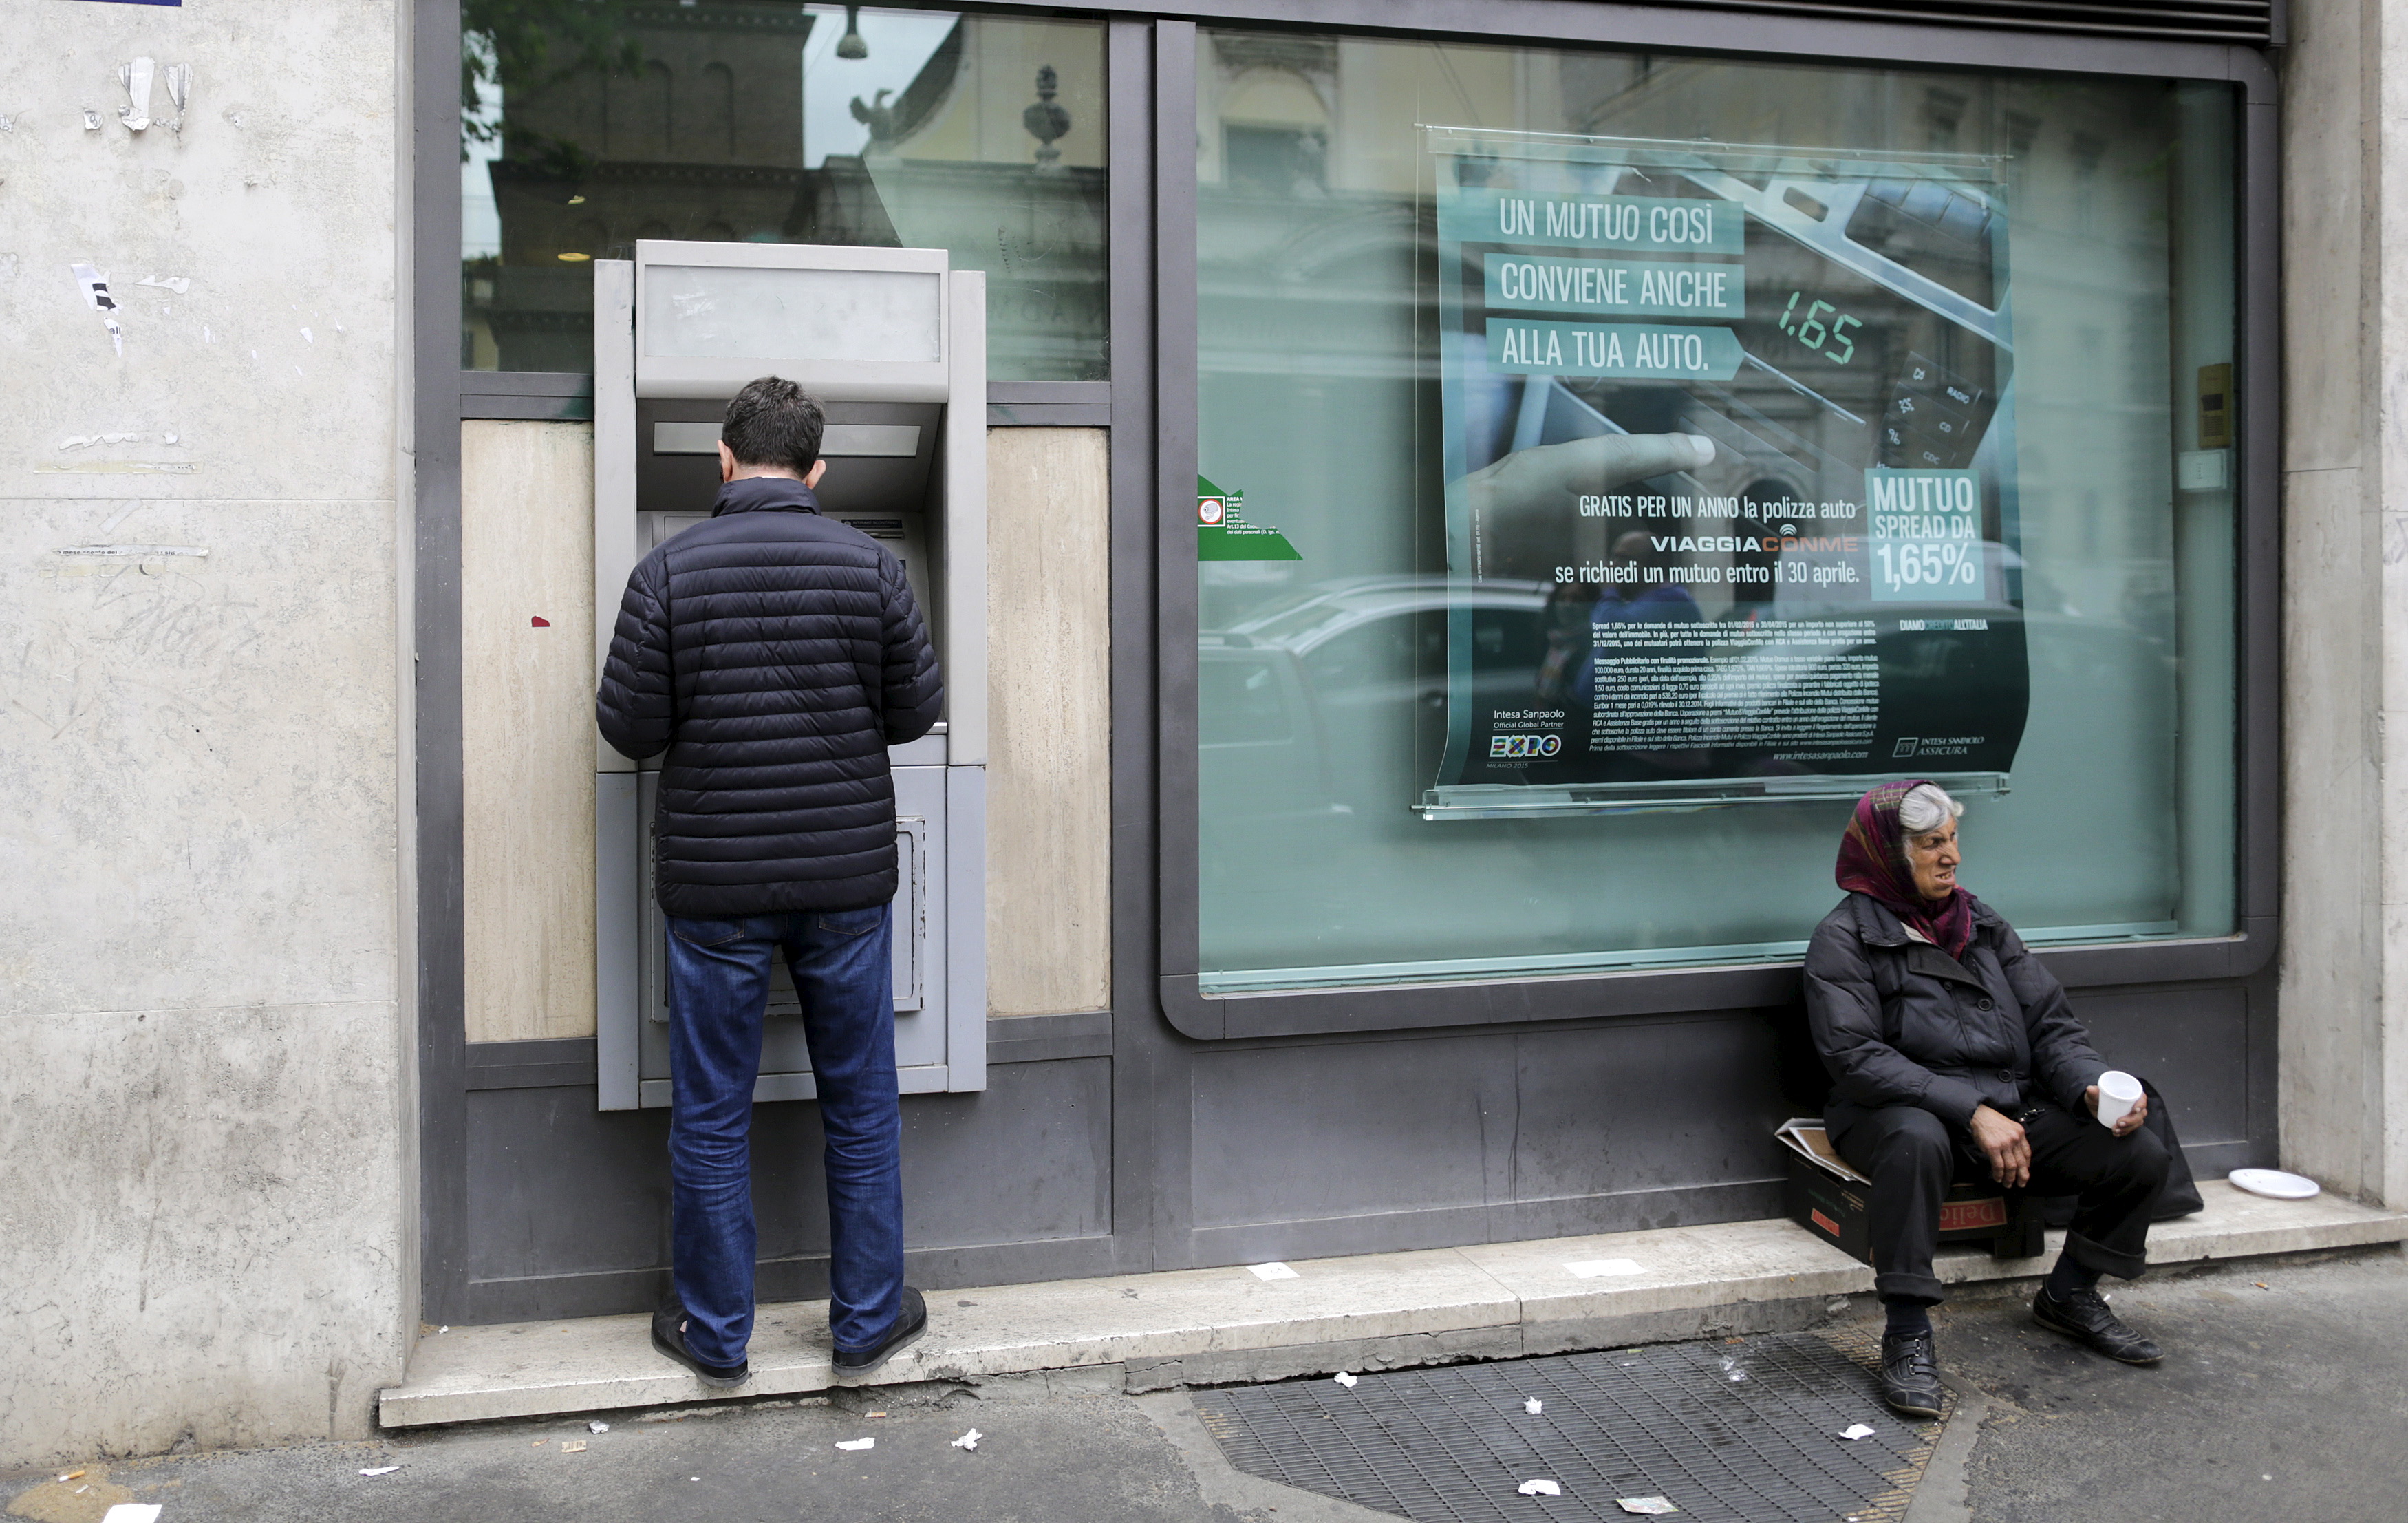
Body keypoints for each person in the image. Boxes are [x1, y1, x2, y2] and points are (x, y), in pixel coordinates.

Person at [596, 375, 944, 1389]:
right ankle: (868, 1320)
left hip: (717, 892)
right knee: (861, 1101)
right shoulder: (872, 564)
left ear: (723, 457)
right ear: (818, 469)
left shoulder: (666, 569)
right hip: (844, 881)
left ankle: (716, 1333)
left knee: (712, 1110)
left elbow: (629, 729)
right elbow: (914, 712)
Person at [1803, 780, 2171, 1420]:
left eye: (1953, 840)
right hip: (1894, 1113)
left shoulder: (1982, 923)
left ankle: (2071, 1292)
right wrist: (1970, 1110)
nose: (1952, 857)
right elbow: (1857, 1057)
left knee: (2137, 1149)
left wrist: (2087, 1084)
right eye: (1931, 844)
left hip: (2006, 1107)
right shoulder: (1843, 939)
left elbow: (2052, 1025)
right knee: (1916, 1139)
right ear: (1889, 852)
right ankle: (1908, 1332)